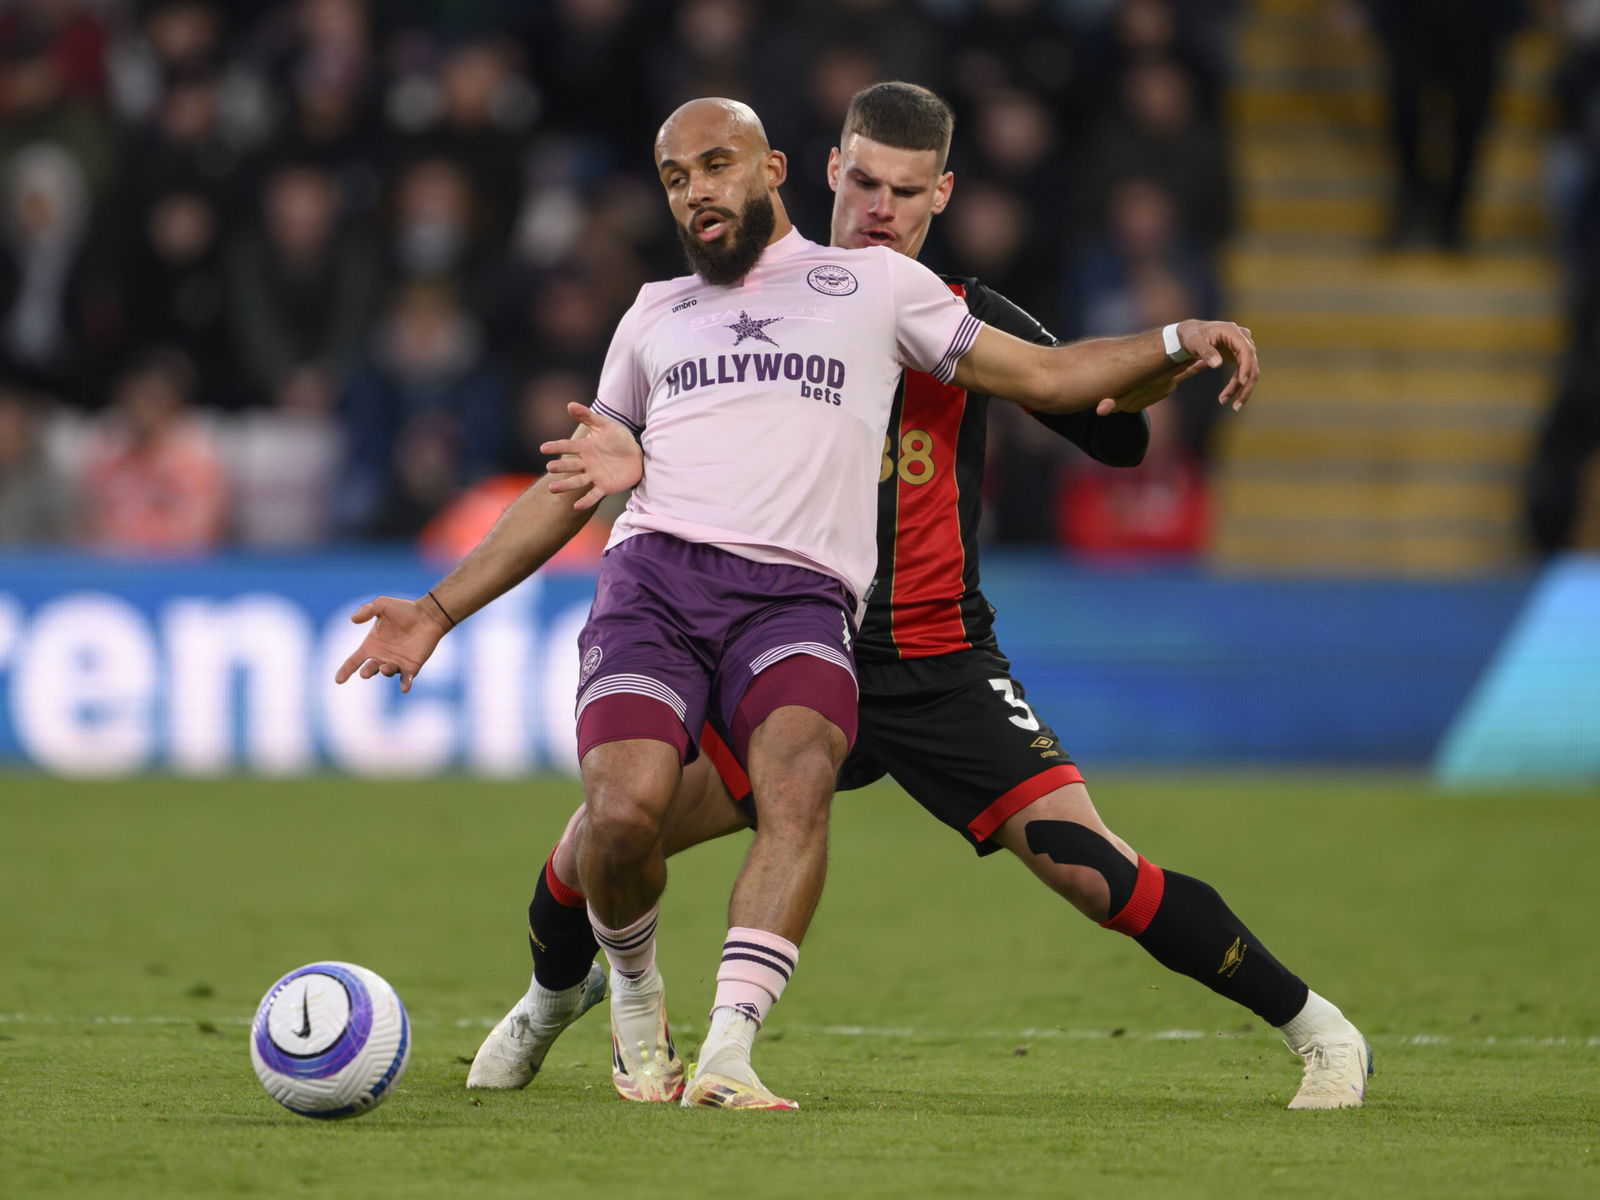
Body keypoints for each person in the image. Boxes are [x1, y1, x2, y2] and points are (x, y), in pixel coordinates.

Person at [337, 94, 1258, 1111]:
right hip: (664, 585)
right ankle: (587, 999)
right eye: (677, 178)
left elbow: (1050, 378)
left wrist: (1176, 338)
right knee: (613, 821)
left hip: (837, 620)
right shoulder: (654, 312)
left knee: (829, 796)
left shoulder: (877, 289)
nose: (697, 191)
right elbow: (571, 487)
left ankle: (727, 1052)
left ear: (773, 167)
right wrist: (437, 607)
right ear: (824, 173)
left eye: (717, 166)